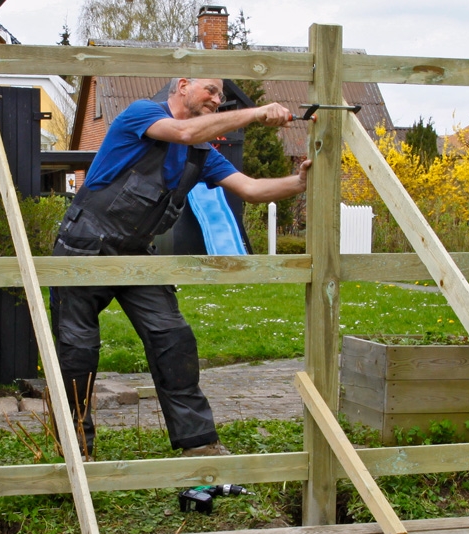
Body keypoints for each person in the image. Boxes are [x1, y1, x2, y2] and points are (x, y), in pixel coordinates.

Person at [51, 77, 311, 458]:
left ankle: (198, 444)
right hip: (85, 246)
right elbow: (184, 131)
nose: (218, 99)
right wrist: (254, 114)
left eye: (222, 96)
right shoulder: (142, 113)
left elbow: (252, 190)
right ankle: (74, 452)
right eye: (211, 90)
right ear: (184, 86)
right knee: (78, 351)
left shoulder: (202, 153)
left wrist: (299, 182)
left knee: (173, 339)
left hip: (136, 254)